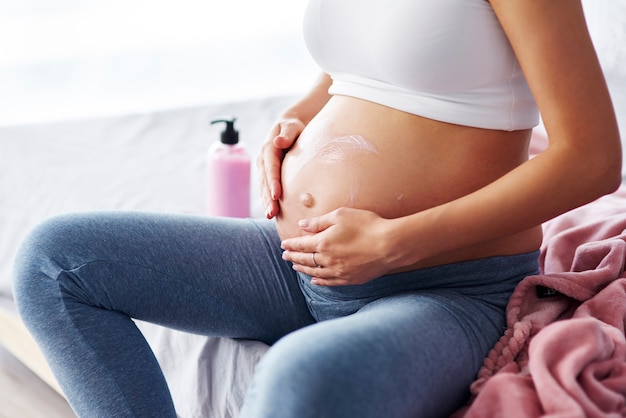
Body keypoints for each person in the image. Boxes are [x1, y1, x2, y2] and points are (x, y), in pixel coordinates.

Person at [13, 0, 621, 417]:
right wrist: (298, 118)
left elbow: (592, 158)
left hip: (446, 288)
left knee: (301, 375)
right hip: (294, 261)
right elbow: (356, 66)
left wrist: (396, 242)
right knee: (55, 262)